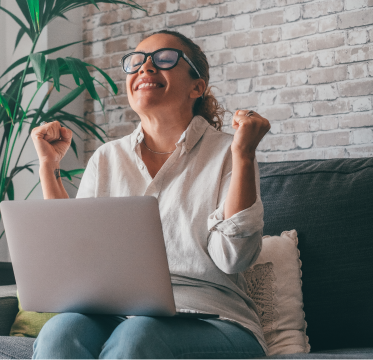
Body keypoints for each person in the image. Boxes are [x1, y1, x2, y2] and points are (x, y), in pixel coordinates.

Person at [30, 30, 271, 360]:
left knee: (137, 336)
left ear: (197, 87)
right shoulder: (107, 158)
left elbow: (234, 258)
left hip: (215, 319)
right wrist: (48, 165)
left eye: (164, 59)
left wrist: (244, 155)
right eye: (137, 61)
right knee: (60, 332)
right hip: (118, 312)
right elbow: (75, 260)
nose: (145, 68)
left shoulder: (230, 150)